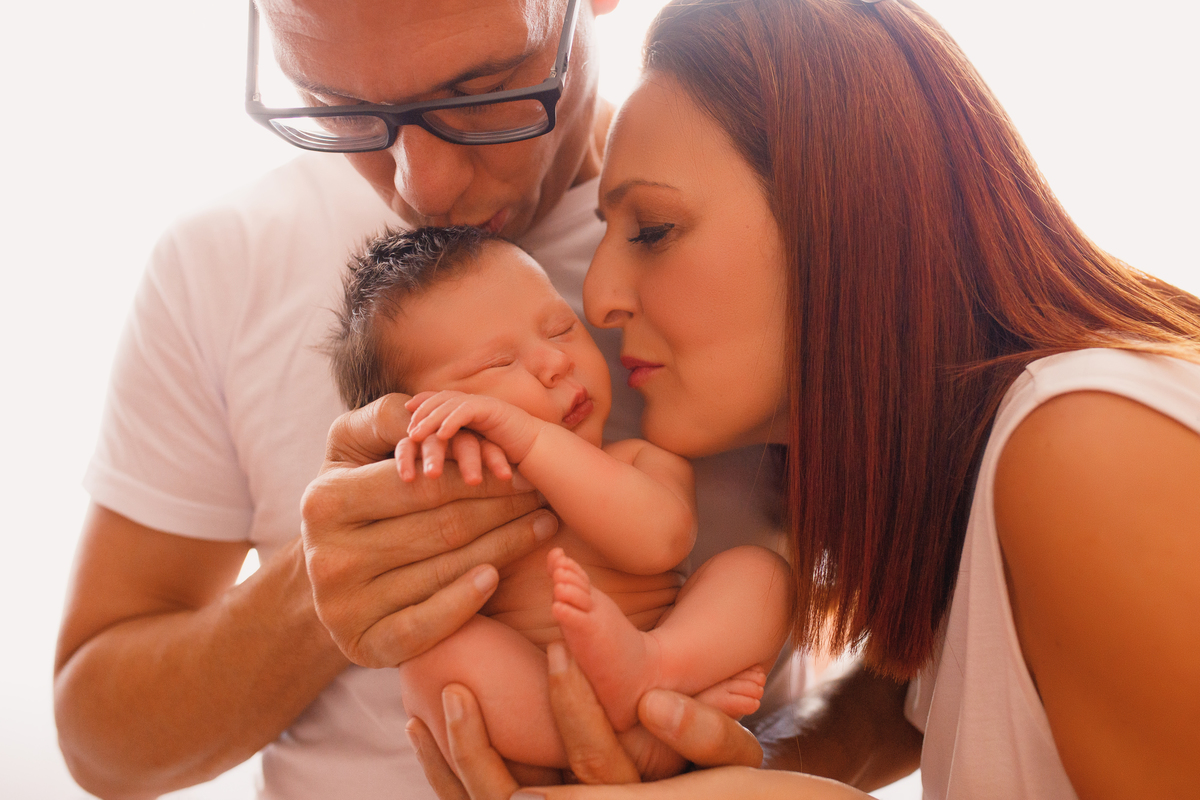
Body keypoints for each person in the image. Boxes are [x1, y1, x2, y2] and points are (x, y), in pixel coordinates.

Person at [54, 1, 917, 798]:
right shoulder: (221, 264)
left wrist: (754, 766)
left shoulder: (762, 217)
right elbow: (101, 741)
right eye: (339, 107)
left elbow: (948, 645)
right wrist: (324, 593)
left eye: (483, 93)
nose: (420, 189)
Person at [409, 0, 1200, 797]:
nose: (603, 298)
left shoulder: (1085, 448)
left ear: (846, 207)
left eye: (653, 229)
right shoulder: (978, 505)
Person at [326, 225, 792, 769]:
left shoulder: (640, 461)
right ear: (420, 422)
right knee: (433, 663)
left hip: (665, 661)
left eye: (560, 329)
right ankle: (627, 748)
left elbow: (660, 543)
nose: (555, 362)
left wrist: (529, 436)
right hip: (539, 708)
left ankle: (654, 669)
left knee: (762, 574)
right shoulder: (443, 516)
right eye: (498, 364)